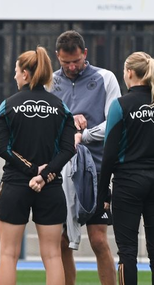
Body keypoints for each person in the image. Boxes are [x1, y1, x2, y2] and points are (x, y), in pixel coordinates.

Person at [0, 47, 77, 285]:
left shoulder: (8, 105)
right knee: (52, 255)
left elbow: (3, 149)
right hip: (50, 187)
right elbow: (68, 149)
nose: (14, 76)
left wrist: (31, 171)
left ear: (26, 74)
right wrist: (45, 173)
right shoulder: (61, 107)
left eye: (16, 71)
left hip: (14, 185)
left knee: (8, 255)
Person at [98, 52, 154, 285]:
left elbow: (109, 153)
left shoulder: (120, 105)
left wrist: (103, 192)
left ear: (129, 72)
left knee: (127, 253)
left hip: (128, 182)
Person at [50, 30, 120, 285]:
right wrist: (69, 123)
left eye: (76, 61)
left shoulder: (106, 78)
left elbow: (115, 123)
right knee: (62, 240)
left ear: (85, 54)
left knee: (99, 240)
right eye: (65, 62)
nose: (71, 66)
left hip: (98, 171)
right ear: (57, 56)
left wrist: (85, 134)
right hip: (59, 171)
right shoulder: (50, 82)